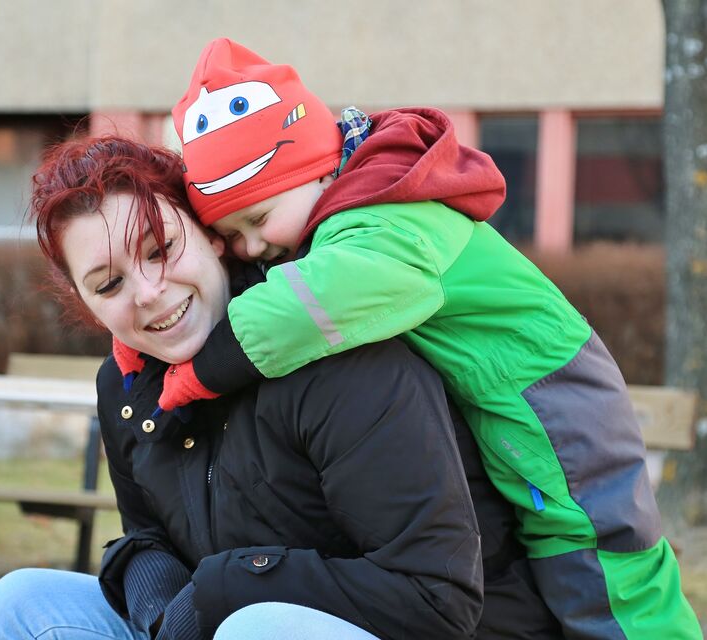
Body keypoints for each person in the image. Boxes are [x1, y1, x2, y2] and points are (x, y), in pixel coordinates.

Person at [132, 38, 702, 638]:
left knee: (608, 578)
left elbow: (307, 304)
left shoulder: (383, 222)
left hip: (557, 409)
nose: (250, 248)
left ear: (318, 170)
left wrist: (200, 369)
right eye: (230, 234)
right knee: (567, 578)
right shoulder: (362, 213)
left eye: (257, 220)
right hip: (524, 412)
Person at [0, 136, 563, 639]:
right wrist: (152, 588)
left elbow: (438, 598)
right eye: (108, 284)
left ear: (212, 236)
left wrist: (230, 589)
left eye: (162, 249)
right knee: (19, 605)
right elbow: (150, 533)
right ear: (86, 303)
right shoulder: (126, 385)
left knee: (257, 629)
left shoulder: (335, 354)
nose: (148, 293)